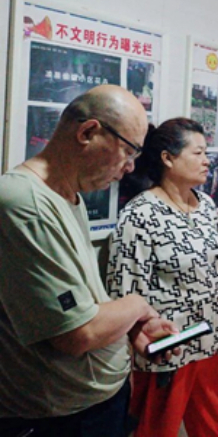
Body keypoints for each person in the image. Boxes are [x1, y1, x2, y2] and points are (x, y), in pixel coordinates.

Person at [0, 85, 178, 437]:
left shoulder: (69, 197)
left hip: (94, 404)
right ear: (87, 132)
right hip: (57, 418)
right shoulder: (24, 203)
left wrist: (131, 329)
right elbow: (77, 333)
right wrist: (138, 306)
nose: (129, 168)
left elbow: (82, 304)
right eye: (128, 151)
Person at [107, 118, 218, 437]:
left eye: (206, 153)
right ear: (168, 158)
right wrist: (140, 339)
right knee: (156, 428)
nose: (207, 161)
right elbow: (123, 290)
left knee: (215, 426)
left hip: (213, 338)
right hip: (169, 345)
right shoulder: (140, 214)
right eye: (198, 153)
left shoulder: (206, 206)